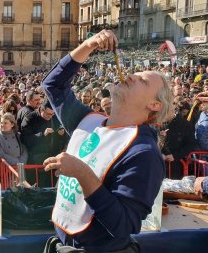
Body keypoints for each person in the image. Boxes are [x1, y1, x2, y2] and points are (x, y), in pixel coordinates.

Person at [42, 30, 173, 252]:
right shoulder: (89, 120)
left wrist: (82, 173)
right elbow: (53, 85)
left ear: (155, 105)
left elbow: (124, 225)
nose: (131, 76)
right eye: (135, 73)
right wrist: (88, 45)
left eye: (142, 80)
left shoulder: (143, 153)